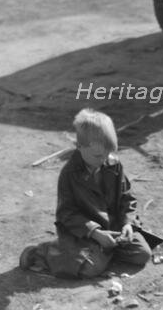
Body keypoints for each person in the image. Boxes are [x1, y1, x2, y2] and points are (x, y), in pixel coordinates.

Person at [19, 108, 152, 278]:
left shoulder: (114, 164)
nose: (103, 160)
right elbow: (66, 214)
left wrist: (127, 223)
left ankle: (105, 251)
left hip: (113, 226)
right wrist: (95, 232)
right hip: (83, 233)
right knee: (90, 269)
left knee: (143, 254)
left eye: (107, 154)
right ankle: (41, 252)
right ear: (79, 147)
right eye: (97, 155)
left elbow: (127, 197)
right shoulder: (69, 174)